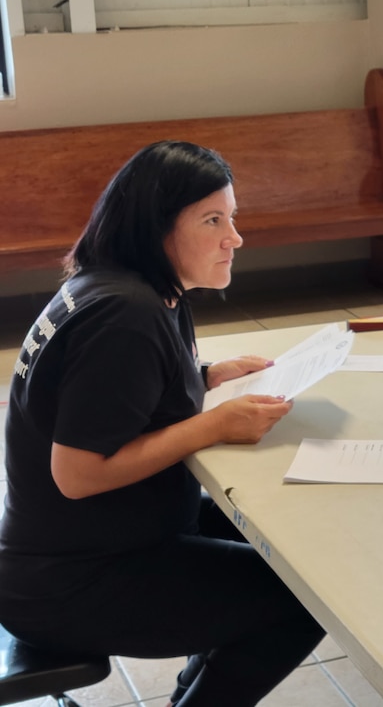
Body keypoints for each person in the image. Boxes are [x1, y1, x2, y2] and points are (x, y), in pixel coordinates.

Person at [0, 141, 324, 706]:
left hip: (93, 538)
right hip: (73, 578)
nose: (235, 237)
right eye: (212, 220)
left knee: (284, 541)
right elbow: (76, 474)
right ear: (157, 227)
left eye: (233, 217)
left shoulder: (133, 287)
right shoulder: (126, 314)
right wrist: (213, 425)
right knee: (305, 599)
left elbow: (105, 392)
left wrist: (204, 374)